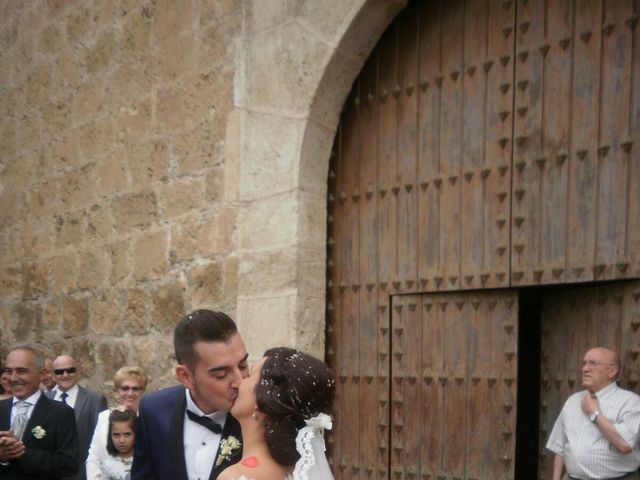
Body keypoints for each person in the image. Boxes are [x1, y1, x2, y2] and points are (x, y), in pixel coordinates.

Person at [131, 309, 249, 480]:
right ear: (185, 376)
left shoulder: (260, 416)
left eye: (243, 365)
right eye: (221, 374)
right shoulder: (153, 410)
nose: (239, 382)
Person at [219, 347, 335, 480]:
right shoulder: (300, 472)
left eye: (249, 376)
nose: (240, 381)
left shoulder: (234, 476)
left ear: (260, 401)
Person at [546, 347, 640, 480]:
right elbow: (560, 447)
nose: (585, 369)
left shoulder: (630, 402)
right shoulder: (573, 401)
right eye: (584, 363)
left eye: (593, 363)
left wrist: (594, 413)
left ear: (612, 371)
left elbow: (625, 445)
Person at [0, 345, 79, 479]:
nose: (13, 378)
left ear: (41, 374)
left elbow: (68, 465)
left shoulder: (61, 413)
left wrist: (22, 453)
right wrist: (2, 457)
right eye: (8, 371)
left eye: (21, 371)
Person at [47, 355, 108, 480]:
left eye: (70, 370)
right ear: (53, 375)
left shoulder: (95, 400)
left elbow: (101, 440)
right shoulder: (44, 399)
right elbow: (37, 430)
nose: (65, 375)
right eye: (59, 371)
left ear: (78, 372)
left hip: (81, 473)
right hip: (49, 473)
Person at [86, 366, 147, 480]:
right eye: (125, 388)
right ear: (117, 391)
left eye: (135, 388)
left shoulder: (148, 418)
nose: (130, 393)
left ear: (142, 391)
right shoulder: (104, 418)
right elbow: (94, 458)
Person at [99, 408, 136, 480]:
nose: (121, 440)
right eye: (116, 435)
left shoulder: (144, 462)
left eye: (127, 434)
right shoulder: (108, 465)